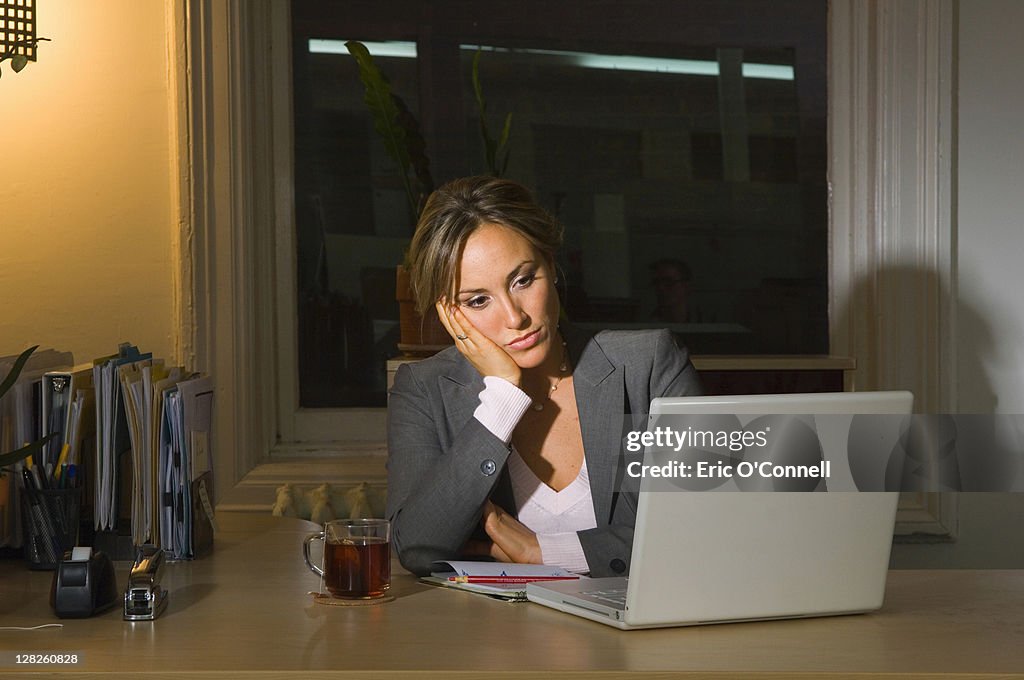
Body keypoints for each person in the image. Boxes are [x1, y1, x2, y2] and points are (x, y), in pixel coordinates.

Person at [386, 176, 702, 577]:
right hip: (495, 636)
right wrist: (501, 397)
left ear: (550, 265)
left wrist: (546, 552)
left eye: (523, 280)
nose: (515, 317)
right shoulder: (424, 390)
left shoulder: (648, 365)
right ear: (451, 313)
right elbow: (416, 547)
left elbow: (694, 527)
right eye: (478, 300)